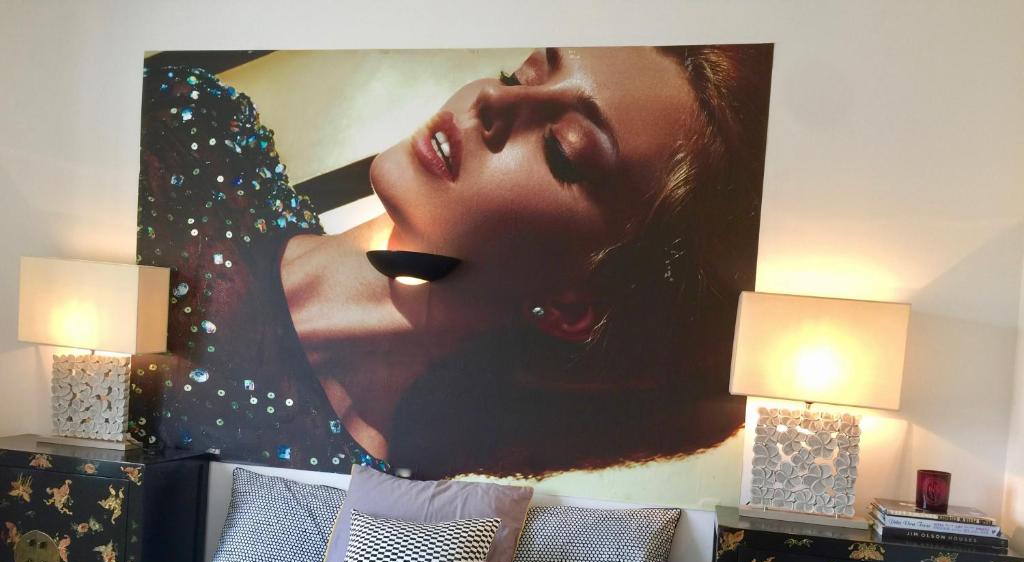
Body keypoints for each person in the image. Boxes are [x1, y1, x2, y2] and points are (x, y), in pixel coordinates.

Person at [131, 45, 773, 479]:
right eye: (521, 74)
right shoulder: (189, 133)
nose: (492, 99)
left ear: (573, 307)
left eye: (563, 150)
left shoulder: (358, 493)